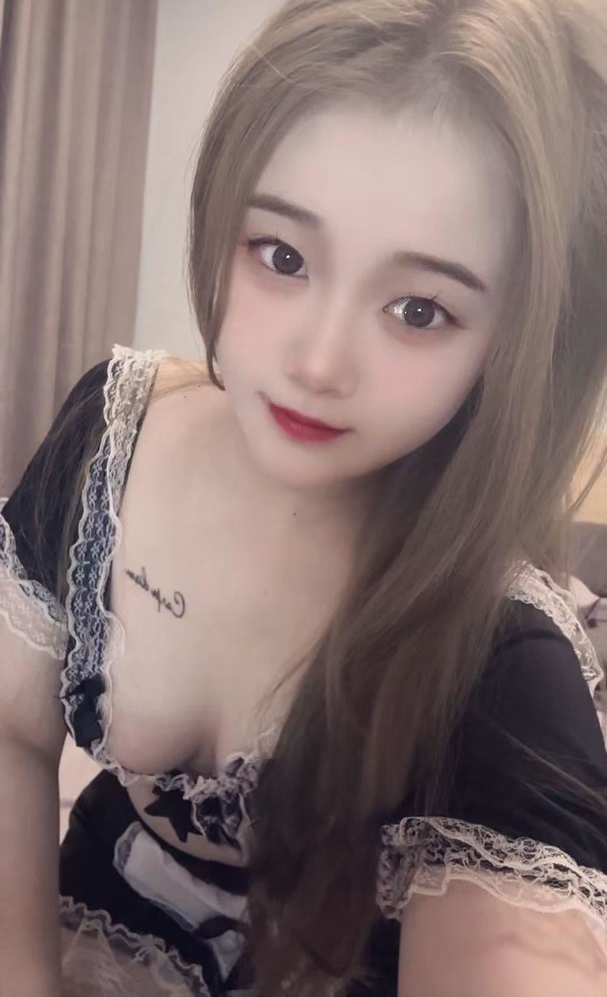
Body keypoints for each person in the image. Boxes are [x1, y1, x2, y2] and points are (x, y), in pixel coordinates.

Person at [1, 0, 607, 993]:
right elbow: (13, 728)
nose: (317, 362)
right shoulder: (115, 431)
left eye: (418, 309)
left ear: (509, 343)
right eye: (280, 255)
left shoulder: (504, 663)